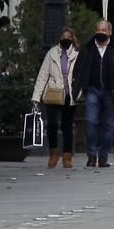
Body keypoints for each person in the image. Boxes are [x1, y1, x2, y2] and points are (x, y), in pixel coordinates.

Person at [72, 19, 114, 168]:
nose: (101, 33)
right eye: (98, 30)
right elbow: (79, 69)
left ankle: (103, 156)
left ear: (110, 32)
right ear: (95, 31)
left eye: (104, 30)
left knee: (109, 125)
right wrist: (78, 86)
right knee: (90, 121)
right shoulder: (88, 48)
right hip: (92, 89)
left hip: (111, 92)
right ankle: (92, 155)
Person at [32, 26, 79, 168]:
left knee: (67, 126)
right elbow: (42, 76)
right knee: (51, 125)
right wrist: (36, 97)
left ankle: (67, 156)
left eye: (69, 37)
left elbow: (81, 74)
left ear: (73, 39)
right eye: (64, 36)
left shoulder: (77, 53)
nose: (66, 39)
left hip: (69, 94)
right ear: (60, 37)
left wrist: (80, 92)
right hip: (53, 92)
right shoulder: (51, 53)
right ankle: (53, 154)